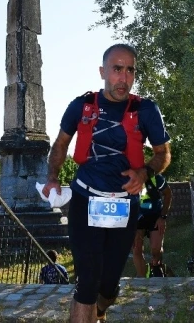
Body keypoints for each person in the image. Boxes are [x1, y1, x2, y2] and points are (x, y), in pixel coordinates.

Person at [43, 43, 171, 323]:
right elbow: (61, 145)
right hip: (85, 198)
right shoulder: (81, 106)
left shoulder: (146, 110)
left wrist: (144, 173)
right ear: (103, 72)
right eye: (117, 69)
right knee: (87, 281)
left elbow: (163, 154)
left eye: (130, 70)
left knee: (108, 285)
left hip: (124, 204)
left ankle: (101, 310)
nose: (123, 77)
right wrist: (52, 178)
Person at [133, 172, 172, 277]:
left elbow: (168, 194)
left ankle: (156, 265)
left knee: (156, 249)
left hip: (155, 215)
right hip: (136, 216)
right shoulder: (127, 177)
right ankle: (142, 279)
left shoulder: (155, 177)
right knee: (137, 248)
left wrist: (163, 217)